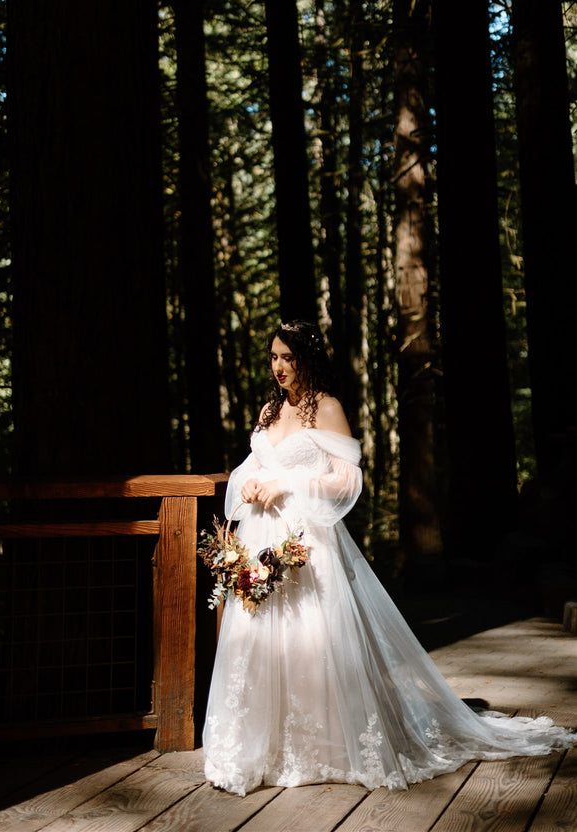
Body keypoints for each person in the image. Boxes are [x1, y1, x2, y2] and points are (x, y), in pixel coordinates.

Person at [202, 319, 576, 796]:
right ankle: (261, 747)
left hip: (305, 539)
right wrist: (253, 480)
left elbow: (347, 480)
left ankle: (323, 744)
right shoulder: (270, 409)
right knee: (260, 637)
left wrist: (288, 483)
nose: (280, 367)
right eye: (274, 357)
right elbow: (253, 463)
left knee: (311, 635)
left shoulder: (328, 408)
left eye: (289, 358)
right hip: (262, 537)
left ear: (308, 359)